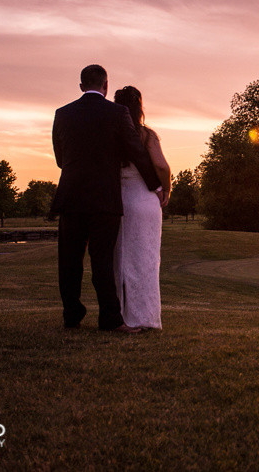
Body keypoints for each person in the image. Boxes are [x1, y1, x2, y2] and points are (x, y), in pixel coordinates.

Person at [50, 65, 164, 333]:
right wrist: (156, 187)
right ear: (105, 85)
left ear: (81, 86)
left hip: (71, 196)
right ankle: (110, 320)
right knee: (102, 261)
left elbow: (59, 159)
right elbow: (136, 152)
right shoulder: (118, 113)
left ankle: (72, 316)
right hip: (104, 199)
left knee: (69, 261)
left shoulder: (62, 114)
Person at [112, 85, 171, 329]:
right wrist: (166, 189)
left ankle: (123, 317)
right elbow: (161, 166)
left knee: (120, 260)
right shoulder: (147, 135)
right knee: (146, 259)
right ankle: (146, 317)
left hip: (118, 200)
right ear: (139, 106)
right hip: (145, 201)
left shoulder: (111, 136)